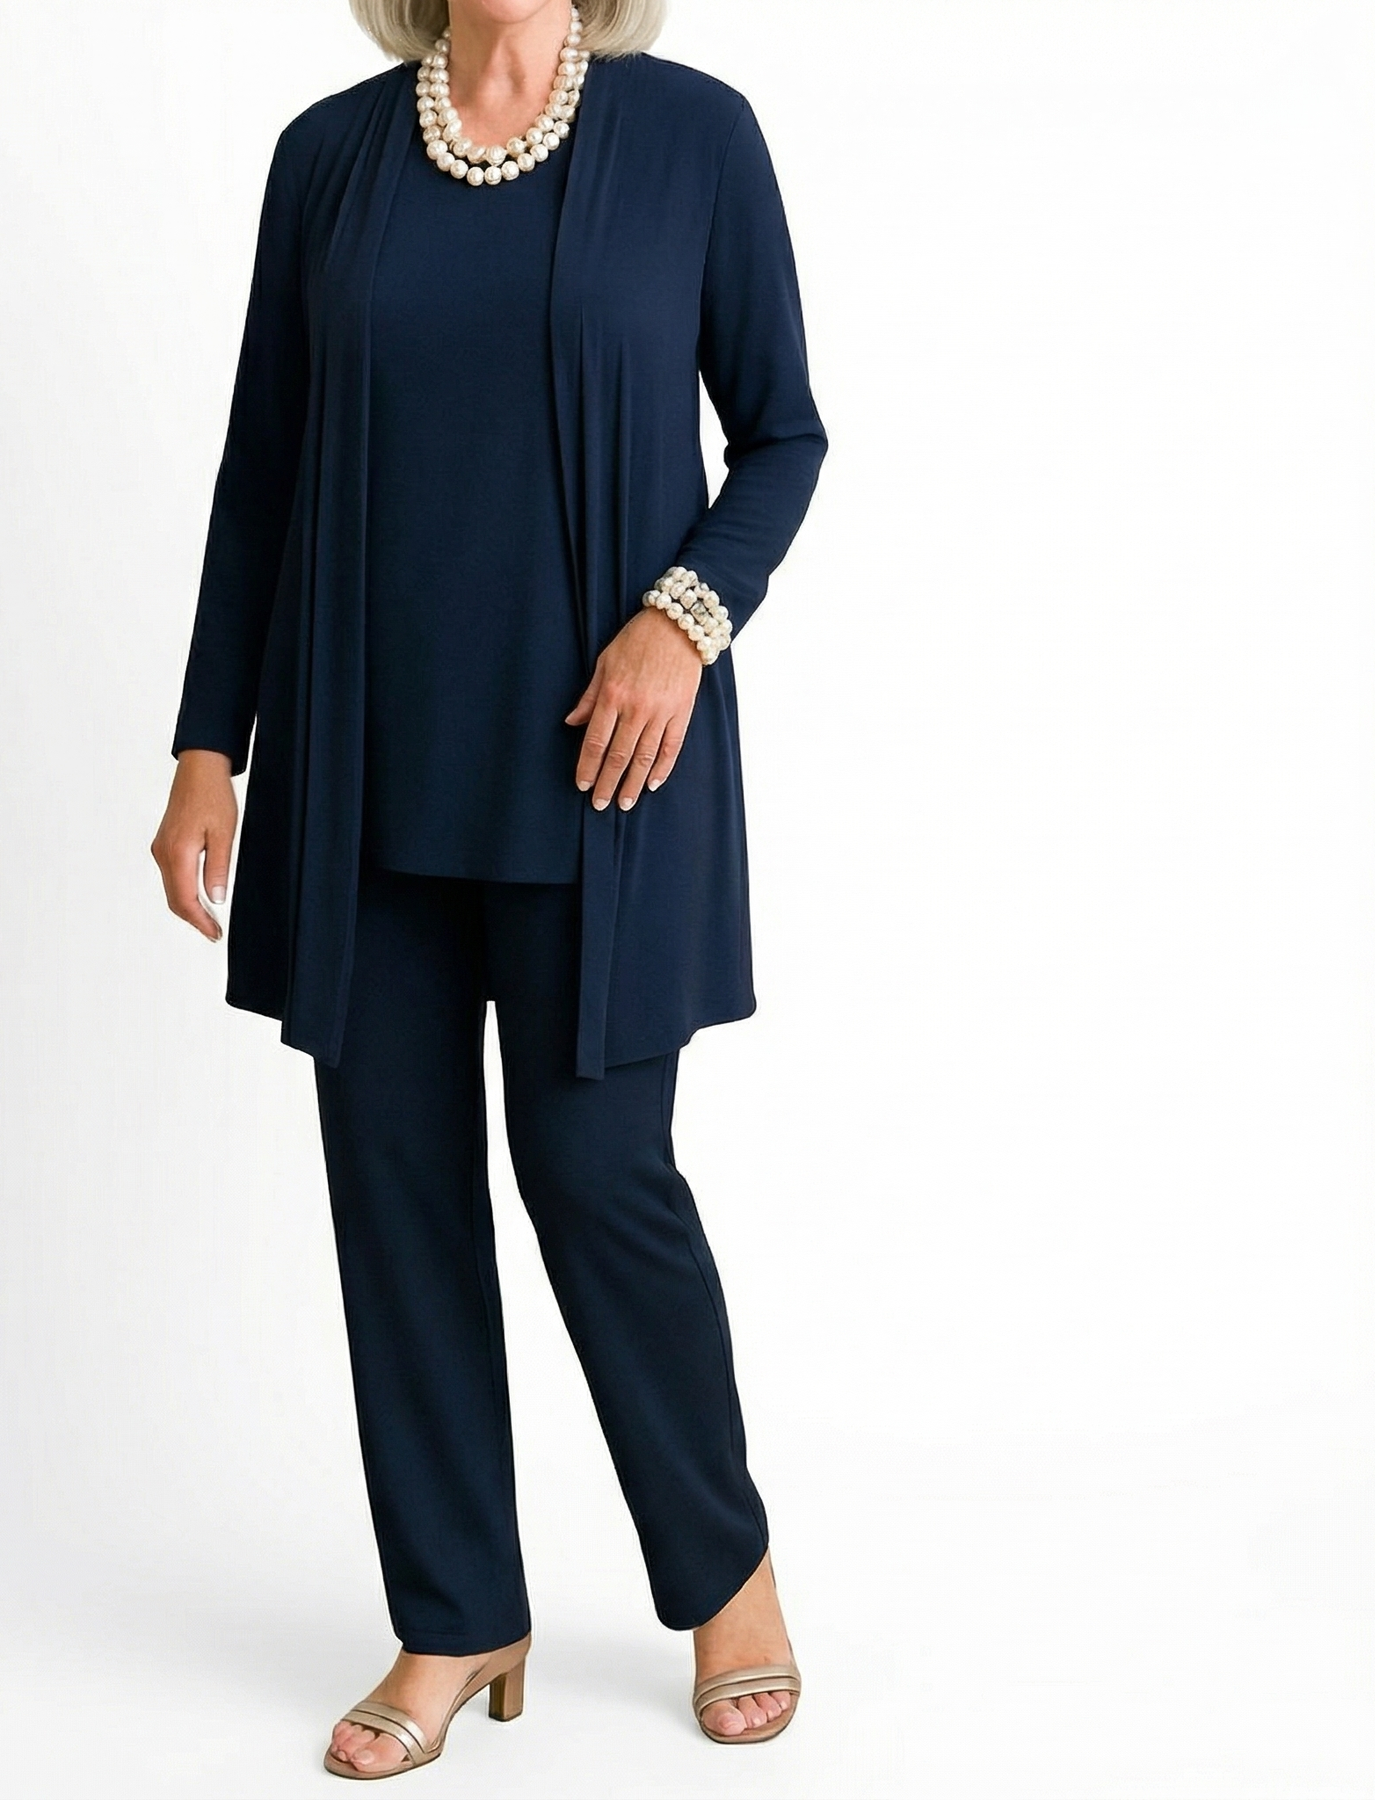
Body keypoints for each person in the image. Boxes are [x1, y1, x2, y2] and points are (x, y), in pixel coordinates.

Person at [150, 0, 828, 1776]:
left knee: (598, 1174)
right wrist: (210, 741)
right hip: (362, 765)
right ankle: (457, 1610)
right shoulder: (329, 158)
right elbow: (263, 470)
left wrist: (682, 623)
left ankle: (726, 1570)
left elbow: (783, 437)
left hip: (601, 769)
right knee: (393, 1189)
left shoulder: (693, 138)